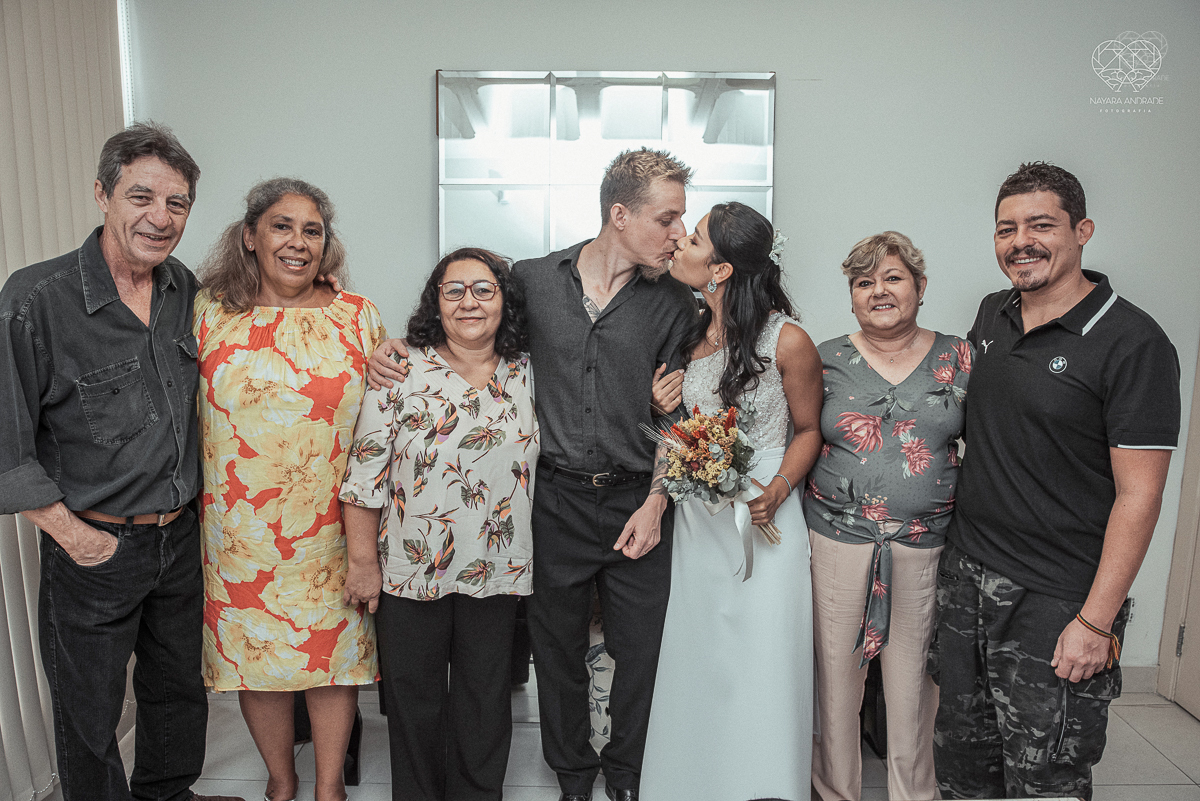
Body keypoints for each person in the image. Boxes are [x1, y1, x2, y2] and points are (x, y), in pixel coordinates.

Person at [369, 148, 697, 801]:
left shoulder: (676, 307)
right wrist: (392, 351)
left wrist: (659, 502)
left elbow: (680, 416)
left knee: (639, 652)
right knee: (557, 653)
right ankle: (574, 776)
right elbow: (467, 316)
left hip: (638, 498)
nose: (678, 234)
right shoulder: (531, 279)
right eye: (667, 219)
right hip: (552, 500)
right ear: (620, 214)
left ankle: (626, 775)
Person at [0, 123, 242, 801]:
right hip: (94, 547)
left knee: (175, 691)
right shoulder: (35, 301)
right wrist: (75, 537)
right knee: (89, 715)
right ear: (101, 194)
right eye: (142, 196)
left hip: (177, 537)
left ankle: (167, 792)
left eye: (178, 203)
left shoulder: (181, 290)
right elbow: (5, 440)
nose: (160, 218)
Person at [932, 162, 1181, 800]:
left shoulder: (1133, 343)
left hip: (1056, 601)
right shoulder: (992, 315)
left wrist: (1096, 624)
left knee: (1045, 781)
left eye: (1041, 225)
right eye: (1006, 229)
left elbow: (1140, 496)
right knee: (964, 774)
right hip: (967, 583)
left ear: (1083, 231)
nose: (1022, 242)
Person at [195, 178, 384, 801]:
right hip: (239, 530)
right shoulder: (206, 313)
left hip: (332, 528)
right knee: (260, 661)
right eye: (281, 226)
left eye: (312, 230)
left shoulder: (354, 315)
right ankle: (281, 781)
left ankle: (329, 787)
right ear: (249, 236)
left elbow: (382, 418)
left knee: (333, 661)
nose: (297, 242)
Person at [641, 202, 823, 801]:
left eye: (692, 240)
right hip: (702, 516)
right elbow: (692, 431)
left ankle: (765, 783)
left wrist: (777, 488)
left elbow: (807, 431)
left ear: (719, 269)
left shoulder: (787, 340)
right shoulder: (690, 331)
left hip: (766, 509)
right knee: (704, 654)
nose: (679, 245)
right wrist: (668, 411)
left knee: (764, 655)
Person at [339, 247, 536, 801]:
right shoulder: (400, 368)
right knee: (414, 702)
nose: (468, 301)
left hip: (496, 569)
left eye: (483, 289)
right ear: (436, 301)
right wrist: (362, 562)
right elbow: (364, 474)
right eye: (454, 290)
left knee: (485, 700)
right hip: (408, 567)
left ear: (504, 300)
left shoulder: (528, 370)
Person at [802, 232, 969, 801]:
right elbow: (791, 439)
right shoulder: (821, 359)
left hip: (926, 548)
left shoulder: (961, 357)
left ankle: (912, 794)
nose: (879, 291)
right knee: (837, 687)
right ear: (851, 295)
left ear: (920, 287)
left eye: (893, 278)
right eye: (863, 282)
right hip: (837, 541)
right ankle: (835, 793)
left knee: (914, 691)